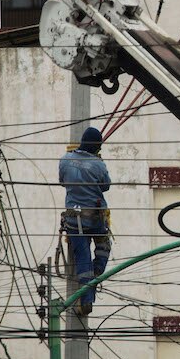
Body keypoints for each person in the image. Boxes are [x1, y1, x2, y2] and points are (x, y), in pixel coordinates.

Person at [59, 126, 112, 315]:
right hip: (95, 219)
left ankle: (86, 300)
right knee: (104, 245)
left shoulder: (65, 160)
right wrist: (98, 162)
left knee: (82, 257)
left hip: (74, 221)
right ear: (97, 147)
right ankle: (97, 271)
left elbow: (62, 181)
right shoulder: (98, 165)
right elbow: (105, 186)